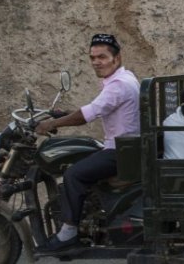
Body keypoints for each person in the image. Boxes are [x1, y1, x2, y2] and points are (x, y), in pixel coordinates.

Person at [33, 34, 140, 253]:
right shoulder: (124, 78)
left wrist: (52, 123)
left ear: (116, 58)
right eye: (92, 57)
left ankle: (69, 233)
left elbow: (87, 115)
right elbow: (97, 107)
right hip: (126, 147)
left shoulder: (119, 85)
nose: (96, 62)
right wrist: (62, 115)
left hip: (121, 151)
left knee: (73, 174)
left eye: (102, 57)